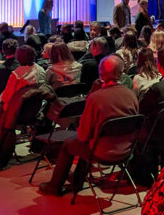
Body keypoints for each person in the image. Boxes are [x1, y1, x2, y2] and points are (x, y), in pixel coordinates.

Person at [39, 55, 139, 196]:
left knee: (70, 143)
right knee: (87, 141)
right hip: (126, 151)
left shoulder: (96, 98)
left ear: (101, 72)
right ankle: (77, 180)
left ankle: (54, 186)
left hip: (101, 152)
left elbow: (83, 135)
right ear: (121, 73)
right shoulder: (131, 95)